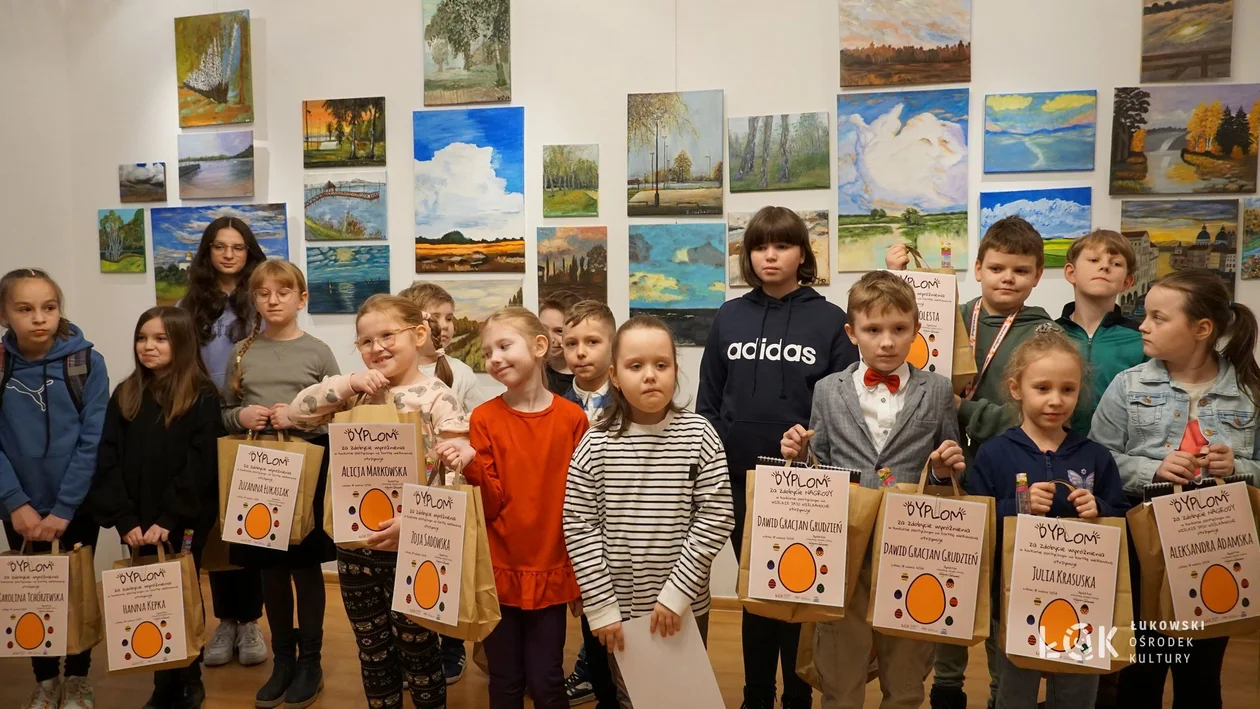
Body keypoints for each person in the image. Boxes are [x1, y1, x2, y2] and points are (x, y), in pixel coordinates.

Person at [888, 216, 1056, 709]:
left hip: (1008, 472)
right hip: (942, 469)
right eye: (997, 267)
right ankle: (946, 684)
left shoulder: (1041, 333)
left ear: (1036, 276)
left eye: (1020, 271)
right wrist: (896, 273)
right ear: (978, 267)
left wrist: (963, 409)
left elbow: (1023, 414)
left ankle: (1004, 692)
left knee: (1005, 583)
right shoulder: (949, 313)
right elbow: (898, 337)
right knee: (947, 571)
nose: (1007, 278)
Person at [779, 271, 966, 709]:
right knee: (840, 681)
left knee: (905, 683)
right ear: (851, 333)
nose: (887, 342)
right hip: (844, 551)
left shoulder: (937, 390)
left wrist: (942, 470)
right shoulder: (827, 390)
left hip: (912, 550)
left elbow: (952, 472)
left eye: (899, 330)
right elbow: (818, 471)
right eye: (873, 330)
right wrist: (799, 454)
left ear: (916, 330)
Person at [698, 206, 858, 709]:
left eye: (783, 245)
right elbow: (708, 401)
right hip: (738, 479)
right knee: (757, 592)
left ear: (802, 254)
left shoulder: (832, 321)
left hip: (806, 487)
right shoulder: (730, 316)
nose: (771, 255)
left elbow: (841, 405)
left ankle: (798, 696)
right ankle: (756, 695)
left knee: (801, 592)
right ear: (747, 255)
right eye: (760, 246)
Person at [290, 294, 473, 709]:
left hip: (413, 547)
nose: (377, 347)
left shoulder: (437, 398)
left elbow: (454, 474)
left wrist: (418, 522)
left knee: (419, 650)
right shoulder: (356, 395)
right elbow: (299, 414)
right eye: (366, 341)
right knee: (372, 651)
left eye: (388, 335)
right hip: (355, 549)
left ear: (419, 334)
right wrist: (349, 382)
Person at [1091, 269, 1260, 709]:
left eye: (1158, 318)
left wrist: (1239, 465)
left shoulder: (1249, 392)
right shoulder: (1127, 386)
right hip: (1144, 553)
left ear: (1202, 330)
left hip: (1216, 553)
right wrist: (1153, 469)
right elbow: (1096, 461)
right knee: (1141, 671)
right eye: (1145, 315)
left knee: (1201, 675)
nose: (1143, 325)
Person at [565, 315, 735, 707]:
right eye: (635, 366)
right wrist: (601, 607)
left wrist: (676, 595)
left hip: (685, 605)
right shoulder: (596, 443)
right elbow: (579, 526)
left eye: (661, 365)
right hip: (618, 609)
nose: (650, 376)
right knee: (632, 697)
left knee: (684, 696)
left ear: (676, 370)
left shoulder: (700, 435)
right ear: (615, 375)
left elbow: (716, 517)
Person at [966, 329, 1128, 709]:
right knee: (1013, 691)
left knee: (1076, 693)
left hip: (1084, 597)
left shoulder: (1096, 456)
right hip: (1013, 596)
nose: (1056, 400)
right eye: (1042, 388)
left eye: (1068, 390)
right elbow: (977, 520)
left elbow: (1121, 516)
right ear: (1016, 389)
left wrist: (1100, 509)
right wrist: (1016, 506)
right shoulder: (993, 454)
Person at [90, 307, 223, 709]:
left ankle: (189, 677)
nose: (148, 346)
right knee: (148, 596)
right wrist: (125, 519)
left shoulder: (202, 395)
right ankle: (162, 682)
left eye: (160, 339)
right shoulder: (126, 393)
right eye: (142, 337)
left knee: (181, 591)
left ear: (181, 343)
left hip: (179, 521)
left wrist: (169, 519)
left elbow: (201, 465)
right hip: (135, 520)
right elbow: (107, 458)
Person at [220, 261, 340, 708]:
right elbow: (224, 410)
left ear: (301, 299)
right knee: (270, 570)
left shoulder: (319, 351)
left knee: (305, 569)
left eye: (283, 292)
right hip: (257, 470)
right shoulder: (241, 352)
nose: (273, 300)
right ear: (254, 300)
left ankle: (311, 661)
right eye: (264, 293)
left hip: (307, 468)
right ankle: (283, 660)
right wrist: (241, 416)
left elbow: (338, 408)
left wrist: (299, 414)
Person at [462, 307, 589, 709]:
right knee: (505, 681)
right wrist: (470, 463)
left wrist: (581, 574)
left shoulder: (572, 418)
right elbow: (491, 503)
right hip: (498, 572)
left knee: (548, 680)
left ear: (538, 347)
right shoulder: (483, 418)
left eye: (503, 345)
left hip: (551, 571)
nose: (494, 358)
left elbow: (583, 503)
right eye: (487, 352)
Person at [0, 269, 109, 709]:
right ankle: (45, 679)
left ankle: (78, 677)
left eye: (48, 307)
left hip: (75, 505)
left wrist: (65, 508)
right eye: (25, 309)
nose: (38, 319)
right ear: (5, 314)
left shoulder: (85, 363)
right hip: (20, 508)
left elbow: (92, 439)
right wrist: (15, 504)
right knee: (33, 594)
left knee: (76, 591)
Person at [178, 216, 268, 669]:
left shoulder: (262, 297)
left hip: (252, 422)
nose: (229, 254)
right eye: (219, 246)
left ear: (249, 252)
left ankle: (250, 619)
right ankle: (225, 620)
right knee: (211, 523)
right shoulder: (190, 302)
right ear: (208, 252)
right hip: (205, 422)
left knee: (249, 524)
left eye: (237, 246)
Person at [558, 299, 619, 707]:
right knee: (594, 628)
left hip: (625, 531)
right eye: (571, 342)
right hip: (581, 537)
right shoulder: (554, 404)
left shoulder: (631, 400)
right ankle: (603, 695)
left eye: (593, 341)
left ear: (613, 346)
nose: (580, 352)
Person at [1056, 230, 1145, 435]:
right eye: (1094, 259)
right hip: (1057, 451)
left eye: (1116, 263)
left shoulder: (1141, 339)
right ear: (1071, 273)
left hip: (1121, 453)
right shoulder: (1050, 335)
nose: (1104, 266)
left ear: (1127, 282)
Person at [399, 282, 488, 419]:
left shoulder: (462, 373)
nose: (445, 325)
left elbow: (483, 420)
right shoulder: (396, 370)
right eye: (434, 318)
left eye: (449, 318)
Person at [539, 291, 582, 395]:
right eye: (543, 329)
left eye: (559, 331)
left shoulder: (589, 375)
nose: (549, 338)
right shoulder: (535, 374)